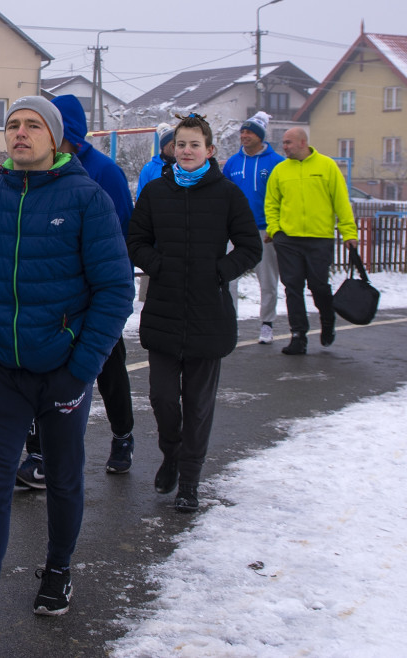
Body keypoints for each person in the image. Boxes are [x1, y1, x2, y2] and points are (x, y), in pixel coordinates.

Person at [0, 96, 134, 650]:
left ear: (55, 138)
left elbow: (115, 290)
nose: (21, 133)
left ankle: (57, 570)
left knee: (65, 478)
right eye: (12, 125)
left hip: (62, 373)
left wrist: (81, 364)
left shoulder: (86, 199)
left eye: (32, 125)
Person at [129, 113, 261, 514]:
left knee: (199, 405)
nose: (186, 151)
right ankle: (171, 453)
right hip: (164, 311)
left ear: (209, 150)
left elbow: (249, 247)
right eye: (181, 144)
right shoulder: (155, 191)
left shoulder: (227, 194)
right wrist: (158, 264)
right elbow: (136, 239)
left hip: (208, 314)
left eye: (194, 145)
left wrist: (219, 272)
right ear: (172, 149)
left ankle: (189, 480)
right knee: (163, 399)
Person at [14, 93, 135, 485]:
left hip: (95, 299)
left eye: (40, 124)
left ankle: (122, 434)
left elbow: (121, 235)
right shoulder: (35, 169)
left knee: (108, 368)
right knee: (42, 375)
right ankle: (39, 454)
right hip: (50, 301)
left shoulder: (104, 173)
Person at [264, 127, 358, 355]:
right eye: (283, 143)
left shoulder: (326, 167)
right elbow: (272, 203)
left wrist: (349, 233)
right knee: (292, 287)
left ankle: (327, 320)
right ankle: (298, 335)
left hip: (319, 238)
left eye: (288, 142)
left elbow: (341, 201)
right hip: (288, 239)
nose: (284, 146)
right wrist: (276, 230)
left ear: (303, 142)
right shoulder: (280, 170)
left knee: (318, 286)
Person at [222, 111, 285, 344]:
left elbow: (282, 197)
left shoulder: (276, 162)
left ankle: (267, 324)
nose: (244, 135)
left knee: (267, 280)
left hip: (264, 230)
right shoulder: (233, 162)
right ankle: (230, 322)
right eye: (242, 132)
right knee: (229, 278)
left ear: (260, 136)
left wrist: (275, 226)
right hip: (235, 229)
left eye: (249, 132)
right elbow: (224, 193)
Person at [134, 123, 176, 303]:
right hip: (155, 227)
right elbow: (141, 197)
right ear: (164, 146)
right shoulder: (150, 168)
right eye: (172, 144)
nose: (176, 148)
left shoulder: (184, 167)